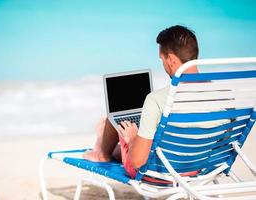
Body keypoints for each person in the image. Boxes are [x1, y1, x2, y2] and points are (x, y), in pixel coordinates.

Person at [83, 25, 199, 179]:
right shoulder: (222, 96)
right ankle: (104, 141)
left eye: (162, 59)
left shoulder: (156, 100)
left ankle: (101, 149)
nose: (163, 64)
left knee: (119, 123)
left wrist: (132, 140)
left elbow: (138, 162)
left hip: (156, 174)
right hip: (197, 169)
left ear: (171, 60)